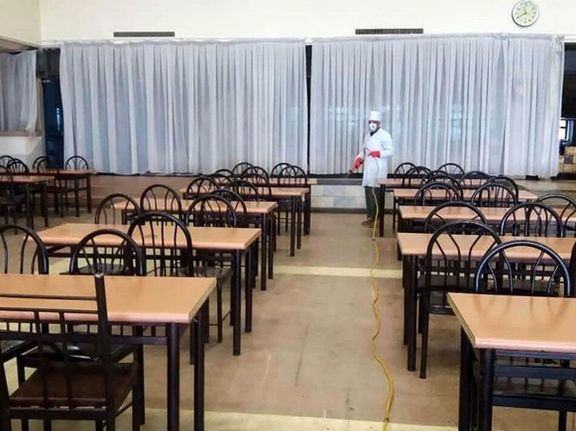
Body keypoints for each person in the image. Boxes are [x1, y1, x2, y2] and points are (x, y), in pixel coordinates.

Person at [352, 110, 393, 226]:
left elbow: (390, 151)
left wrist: (379, 153)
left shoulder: (385, 135)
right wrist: (359, 159)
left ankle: (377, 219)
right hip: (368, 169)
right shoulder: (367, 136)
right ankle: (370, 217)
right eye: (370, 122)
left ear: (379, 123)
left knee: (376, 194)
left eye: (374, 122)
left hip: (379, 169)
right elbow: (364, 151)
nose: (372, 124)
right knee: (368, 193)